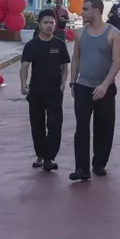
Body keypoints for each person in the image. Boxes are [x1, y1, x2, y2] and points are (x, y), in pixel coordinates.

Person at [68, 0, 120, 181]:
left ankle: (99, 164)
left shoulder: (113, 33)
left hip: (105, 88)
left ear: (96, 11)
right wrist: (72, 81)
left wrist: (105, 85)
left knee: (104, 127)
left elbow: (117, 62)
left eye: (85, 9)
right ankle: (81, 169)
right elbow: (76, 58)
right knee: (81, 127)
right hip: (83, 87)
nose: (82, 12)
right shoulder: (80, 33)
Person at [20, 9, 70, 172]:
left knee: (55, 124)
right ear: (39, 25)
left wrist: (63, 84)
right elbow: (25, 66)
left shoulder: (59, 44)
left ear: (55, 24)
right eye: (46, 22)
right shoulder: (31, 45)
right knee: (37, 124)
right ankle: (41, 155)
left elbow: (65, 66)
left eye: (51, 22)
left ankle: (50, 157)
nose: (49, 25)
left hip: (55, 91)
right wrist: (23, 83)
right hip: (36, 91)